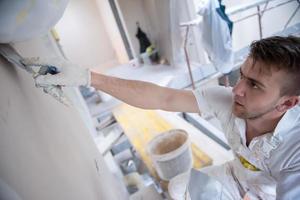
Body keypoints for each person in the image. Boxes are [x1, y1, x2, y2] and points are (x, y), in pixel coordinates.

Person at [23, 35, 300, 199]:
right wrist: (86, 77)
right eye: (241, 75)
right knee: (178, 187)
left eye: (254, 85)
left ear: (287, 103)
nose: (236, 90)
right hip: (234, 175)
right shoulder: (226, 100)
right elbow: (162, 97)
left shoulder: (295, 149)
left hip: (265, 195)